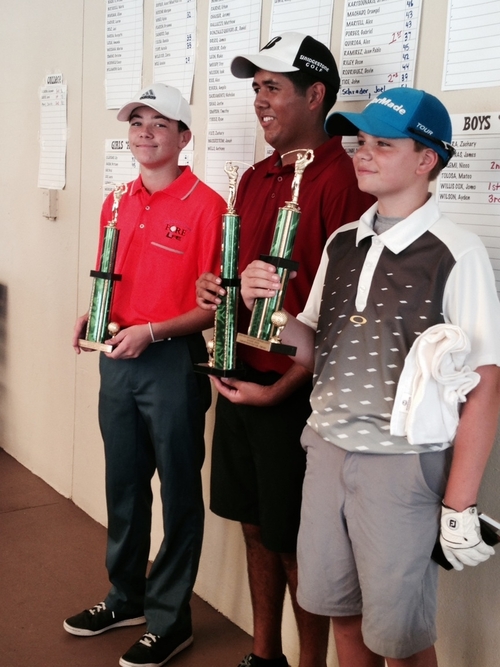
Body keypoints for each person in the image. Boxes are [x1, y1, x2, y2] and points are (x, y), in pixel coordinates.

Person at [240, 86, 500, 666]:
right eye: (361, 141)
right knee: (344, 615)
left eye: (384, 144)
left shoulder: (456, 251)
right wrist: (268, 308)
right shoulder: (342, 242)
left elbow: (484, 385)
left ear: (427, 159)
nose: (363, 153)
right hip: (326, 452)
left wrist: (458, 504)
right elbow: (311, 345)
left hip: (403, 467)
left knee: (402, 639)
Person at [196, 33, 374, 667]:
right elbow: (246, 279)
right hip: (242, 378)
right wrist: (216, 288)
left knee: (299, 540)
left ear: (314, 94)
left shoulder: (345, 181)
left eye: (271, 86)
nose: (259, 99)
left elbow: (348, 318)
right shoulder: (253, 176)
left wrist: (282, 389)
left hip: (295, 394)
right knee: (253, 524)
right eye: (255, 88)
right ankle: (264, 654)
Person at [65, 83, 226, 667]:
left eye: (160, 124)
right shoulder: (116, 201)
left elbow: (218, 305)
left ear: (184, 138)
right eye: (137, 122)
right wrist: (96, 311)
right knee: (124, 487)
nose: (145, 132)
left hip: (170, 361)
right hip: (118, 358)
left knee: (179, 492)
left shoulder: (210, 207)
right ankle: (124, 597)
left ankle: (170, 619)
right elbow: (112, 276)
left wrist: (154, 331)